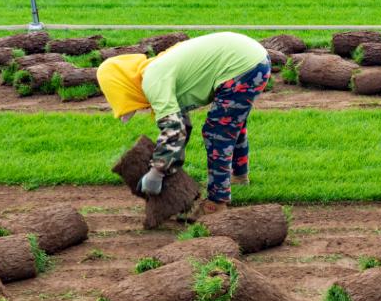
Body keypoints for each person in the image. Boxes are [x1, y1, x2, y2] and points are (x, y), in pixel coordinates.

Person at [97, 32, 271, 218]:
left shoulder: (153, 80)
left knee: (217, 133)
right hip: (252, 59)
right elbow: (183, 126)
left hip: (242, 66)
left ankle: (216, 203)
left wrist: (157, 171)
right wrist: (169, 163)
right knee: (231, 124)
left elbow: (174, 130)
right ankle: (239, 177)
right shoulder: (155, 69)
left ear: (122, 87)